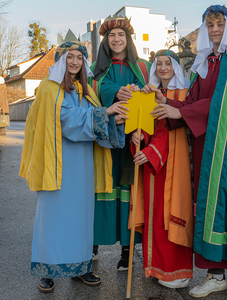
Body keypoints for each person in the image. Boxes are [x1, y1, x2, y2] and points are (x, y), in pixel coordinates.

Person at [151, 5, 227, 300]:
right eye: (210, 25)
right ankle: (216, 275)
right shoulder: (204, 63)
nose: (214, 30)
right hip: (208, 146)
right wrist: (166, 102)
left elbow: (225, 105)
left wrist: (183, 113)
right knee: (209, 209)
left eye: (219, 24)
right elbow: (191, 103)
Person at [19, 41, 127, 293]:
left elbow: (94, 123)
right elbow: (67, 120)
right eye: (70, 57)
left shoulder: (84, 90)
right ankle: (48, 270)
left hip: (82, 169)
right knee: (53, 220)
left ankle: (81, 267)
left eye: (80, 57)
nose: (75, 62)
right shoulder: (48, 88)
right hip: (55, 166)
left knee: (80, 219)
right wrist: (105, 113)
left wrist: (113, 119)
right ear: (60, 60)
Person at [88, 15, 151, 270]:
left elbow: (148, 97)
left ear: (128, 39)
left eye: (121, 35)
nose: (116, 39)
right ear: (106, 40)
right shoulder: (93, 69)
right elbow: (93, 92)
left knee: (128, 189)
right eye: (111, 35)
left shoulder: (144, 67)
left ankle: (127, 250)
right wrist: (115, 90)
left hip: (131, 140)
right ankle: (91, 245)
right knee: (100, 188)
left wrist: (136, 93)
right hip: (102, 141)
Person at [131, 49, 194, 288]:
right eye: (159, 64)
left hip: (174, 164)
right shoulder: (149, 94)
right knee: (155, 215)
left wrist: (150, 151)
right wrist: (138, 140)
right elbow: (146, 125)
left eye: (168, 64)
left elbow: (172, 128)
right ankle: (158, 268)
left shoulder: (184, 94)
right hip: (154, 165)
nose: (163, 68)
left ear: (176, 68)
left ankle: (178, 272)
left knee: (174, 213)